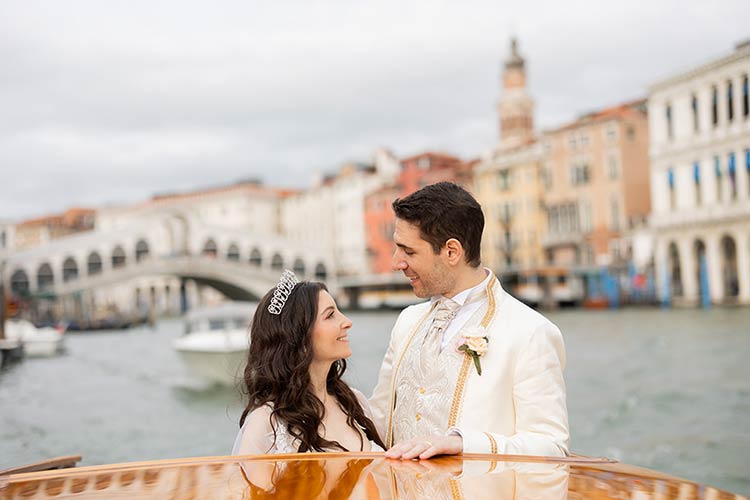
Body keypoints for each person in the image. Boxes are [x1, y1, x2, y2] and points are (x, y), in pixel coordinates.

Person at [370, 182, 569, 460]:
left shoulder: (531, 332)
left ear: (452, 251)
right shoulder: (407, 322)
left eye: (409, 251)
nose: (396, 262)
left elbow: (551, 447)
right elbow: (377, 420)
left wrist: (463, 444)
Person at [232, 271, 385, 456]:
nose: (347, 322)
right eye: (330, 315)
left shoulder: (354, 402)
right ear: (299, 337)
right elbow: (250, 485)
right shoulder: (265, 423)